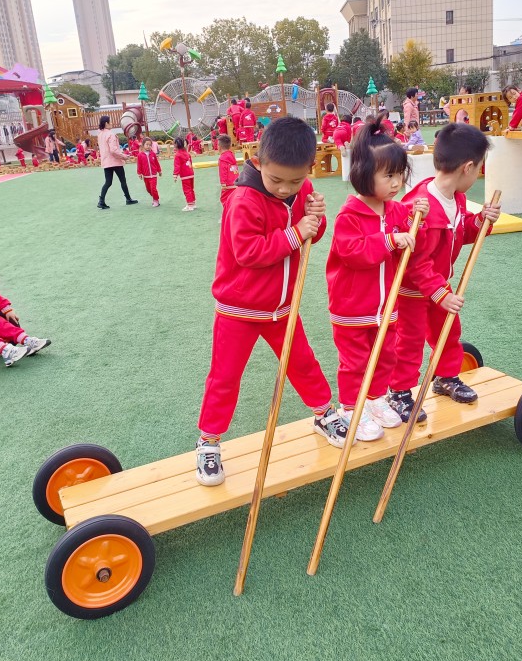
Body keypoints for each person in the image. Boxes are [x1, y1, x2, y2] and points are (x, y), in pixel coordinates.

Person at [194, 116, 351, 486]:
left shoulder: (303, 187)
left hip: (282, 308)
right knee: (225, 376)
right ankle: (208, 441)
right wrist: (296, 232)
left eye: (295, 181)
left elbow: (309, 236)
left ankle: (323, 413)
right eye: (276, 179)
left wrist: (315, 219)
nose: (285, 188)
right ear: (258, 162)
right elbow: (248, 252)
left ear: (309, 168)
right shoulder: (242, 200)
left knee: (304, 363)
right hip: (238, 309)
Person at [387, 124, 501, 421]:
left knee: (449, 332)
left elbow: (461, 233)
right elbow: (415, 262)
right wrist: (440, 293)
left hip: (438, 285)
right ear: (467, 167)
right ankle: (399, 392)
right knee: (409, 342)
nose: (478, 175)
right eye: (480, 169)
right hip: (412, 291)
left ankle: (446, 377)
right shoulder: (419, 208)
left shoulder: (457, 199)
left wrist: (480, 221)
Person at [327, 114, 429, 440]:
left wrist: (418, 218)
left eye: (399, 174)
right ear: (362, 174)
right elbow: (352, 252)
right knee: (355, 362)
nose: (396, 183)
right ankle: (351, 409)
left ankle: (375, 400)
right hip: (352, 307)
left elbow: (411, 236)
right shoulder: (349, 215)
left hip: (385, 306)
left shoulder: (394, 210)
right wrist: (390, 240)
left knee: (386, 355)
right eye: (388, 176)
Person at [96, 116, 138, 209]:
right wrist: (124, 156)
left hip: (106, 161)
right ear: (106, 123)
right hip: (115, 161)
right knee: (123, 180)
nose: (111, 123)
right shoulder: (111, 134)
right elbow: (113, 150)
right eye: (110, 122)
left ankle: (101, 201)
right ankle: (128, 199)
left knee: (108, 182)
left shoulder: (100, 134)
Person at [172, 137, 197, 211]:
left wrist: (175, 175)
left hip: (185, 175)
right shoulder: (187, 153)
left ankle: (190, 205)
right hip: (191, 173)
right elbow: (190, 162)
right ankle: (193, 203)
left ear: (176, 145)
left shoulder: (177, 155)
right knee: (191, 189)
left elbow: (177, 166)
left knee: (187, 190)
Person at [136, 137, 162, 208]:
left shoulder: (153, 154)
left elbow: (156, 163)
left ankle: (156, 200)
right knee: (148, 189)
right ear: (143, 145)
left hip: (153, 175)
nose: (148, 146)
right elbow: (139, 165)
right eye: (147, 144)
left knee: (153, 188)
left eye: (150, 145)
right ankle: (154, 197)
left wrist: (159, 171)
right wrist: (139, 173)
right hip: (146, 176)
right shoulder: (140, 155)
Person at [216, 134, 238, 211]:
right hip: (235, 182)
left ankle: (228, 215)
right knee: (234, 201)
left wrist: (223, 183)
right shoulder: (232, 155)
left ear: (219, 147)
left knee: (225, 200)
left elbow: (223, 171)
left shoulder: (222, 158)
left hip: (228, 185)